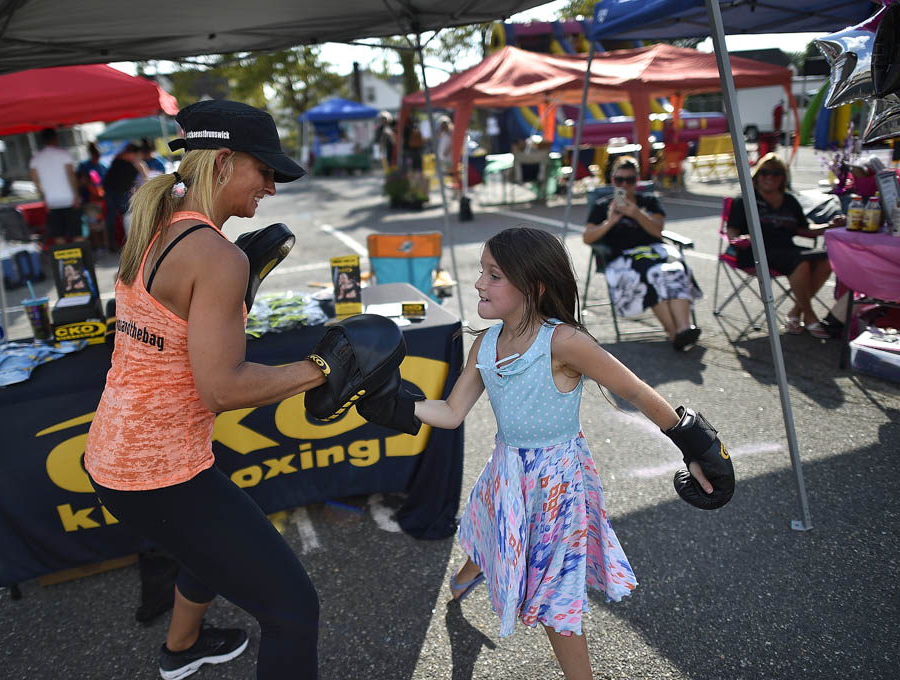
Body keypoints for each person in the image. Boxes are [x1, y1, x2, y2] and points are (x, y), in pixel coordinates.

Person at [349, 226, 729, 680]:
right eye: (481, 272)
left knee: (554, 596)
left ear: (534, 286)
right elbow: (451, 412)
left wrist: (696, 445)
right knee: (493, 525)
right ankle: (474, 571)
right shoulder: (484, 344)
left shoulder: (563, 342)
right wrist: (389, 403)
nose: (478, 284)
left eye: (494, 275)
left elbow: (636, 390)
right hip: (508, 470)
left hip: (556, 484)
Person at [83, 100, 331, 680]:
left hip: (119, 457)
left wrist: (231, 294)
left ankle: (181, 648)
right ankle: (179, 649)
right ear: (222, 162)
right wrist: (322, 367)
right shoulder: (215, 254)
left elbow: (169, 335)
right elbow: (222, 388)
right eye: (264, 170)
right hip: (157, 472)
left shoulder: (156, 225)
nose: (271, 186)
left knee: (214, 541)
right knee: (294, 611)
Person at [584, 156, 703, 350]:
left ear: (636, 181)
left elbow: (658, 230)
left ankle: (683, 328)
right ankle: (676, 335)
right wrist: (610, 221)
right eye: (619, 179)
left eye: (629, 180)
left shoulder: (648, 201)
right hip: (624, 257)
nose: (624, 184)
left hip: (655, 252)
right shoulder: (602, 206)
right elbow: (588, 237)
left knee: (674, 269)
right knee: (651, 274)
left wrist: (636, 214)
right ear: (612, 180)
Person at [726, 153, 842, 338]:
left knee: (827, 259)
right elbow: (732, 228)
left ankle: (796, 312)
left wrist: (830, 226)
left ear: (783, 177)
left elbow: (804, 229)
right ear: (757, 175)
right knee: (800, 263)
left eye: (776, 173)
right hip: (755, 251)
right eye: (764, 172)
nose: (769, 177)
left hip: (787, 248)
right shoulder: (746, 199)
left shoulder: (789, 200)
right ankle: (810, 316)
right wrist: (738, 239)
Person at [29, 128, 82, 243]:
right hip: (69, 199)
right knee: (77, 233)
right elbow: (71, 175)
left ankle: (63, 261)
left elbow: (36, 182)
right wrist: (76, 195)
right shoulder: (64, 154)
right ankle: (81, 260)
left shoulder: (36, 159)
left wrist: (44, 199)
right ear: (56, 138)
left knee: (58, 235)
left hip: (51, 201)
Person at [102, 142, 146, 250]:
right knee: (115, 218)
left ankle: (131, 243)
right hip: (113, 191)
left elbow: (144, 177)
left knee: (127, 217)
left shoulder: (134, 163)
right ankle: (113, 244)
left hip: (121, 192)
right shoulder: (120, 159)